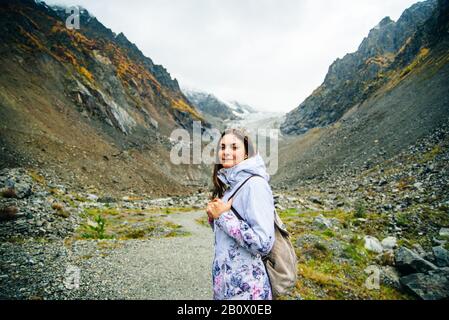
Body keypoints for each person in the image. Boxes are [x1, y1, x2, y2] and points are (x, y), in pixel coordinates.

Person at [206, 128, 275, 300]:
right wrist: (214, 217)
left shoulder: (255, 185)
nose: (226, 152)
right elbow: (230, 237)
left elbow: (263, 243)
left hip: (248, 291)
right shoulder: (232, 186)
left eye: (234, 147)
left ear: (246, 154)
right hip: (227, 289)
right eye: (222, 147)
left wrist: (222, 216)